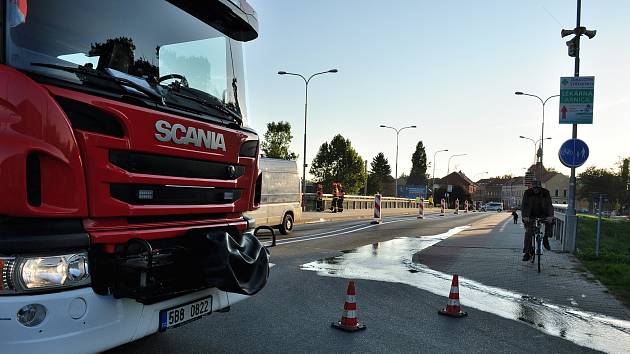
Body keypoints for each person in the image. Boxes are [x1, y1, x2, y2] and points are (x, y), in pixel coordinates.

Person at [520, 180, 554, 261]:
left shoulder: (545, 193)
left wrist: (550, 216)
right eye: (534, 188)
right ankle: (527, 253)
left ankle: (546, 239)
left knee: (551, 222)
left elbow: (549, 204)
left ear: (540, 188)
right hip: (530, 214)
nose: (536, 190)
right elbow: (524, 205)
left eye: (538, 188)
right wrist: (525, 216)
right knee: (528, 232)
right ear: (532, 187)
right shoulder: (527, 193)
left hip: (543, 213)